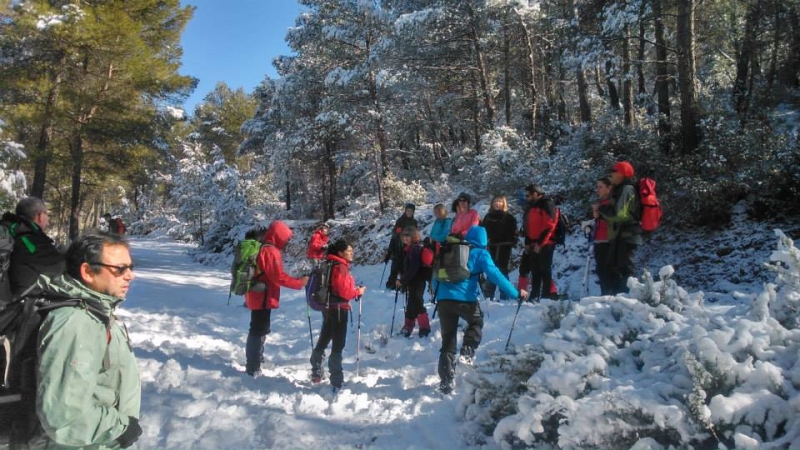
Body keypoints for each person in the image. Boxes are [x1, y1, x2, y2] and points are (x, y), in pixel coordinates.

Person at [24, 232, 141, 449]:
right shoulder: (76, 322)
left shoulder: (95, 311)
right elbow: (63, 416)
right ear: (87, 272)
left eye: (130, 267)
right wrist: (120, 427)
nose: (130, 276)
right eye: (120, 269)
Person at [433, 225, 528, 394]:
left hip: (443, 300)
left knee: (447, 341)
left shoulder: (451, 249)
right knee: (476, 321)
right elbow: (495, 274)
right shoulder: (480, 254)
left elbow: (435, 275)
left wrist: (438, 294)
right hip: (465, 300)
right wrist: (515, 293)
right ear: (484, 241)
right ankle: (467, 351)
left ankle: (446, 382)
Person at [244, 220, 309, 376]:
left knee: (260, 328)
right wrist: (299, 283)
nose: (286, 241)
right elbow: (278, 277)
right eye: (285, 237)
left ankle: (256, 360)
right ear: (278, 236)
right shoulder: (271, 251)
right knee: (258, 329)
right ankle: (253, 366)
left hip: (257, 294)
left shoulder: (263, 247)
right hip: (262, 295)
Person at [309, 239, 366, 392]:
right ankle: (336, 381)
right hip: (339, 308)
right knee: (338, 345)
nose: (352, 253)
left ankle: (316, 371)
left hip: (328, 307)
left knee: (325, 338)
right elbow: (344, 292)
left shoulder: (329, 263)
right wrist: (357, 292)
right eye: (349, 250)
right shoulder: (340, 267)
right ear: (340, 253)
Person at [2, 197, 65, 297]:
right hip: (19, 303)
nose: (48, 220)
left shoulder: (10, 232)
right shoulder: (32, 240)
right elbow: (60, 268)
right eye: (47, 214)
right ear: (40, 216)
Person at [598, 161, 643, 294]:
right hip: (623, 235)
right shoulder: (623, 188)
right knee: (616, 268)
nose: (611, 174)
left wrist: (601, 209)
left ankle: (630, 298)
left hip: (627, 235)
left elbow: (619, 215)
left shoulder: (626, 189)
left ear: (622, 173)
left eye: (613, 171)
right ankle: (619, 297)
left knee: (625, 269)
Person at [519, 184, 558, 301]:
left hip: (546, 242)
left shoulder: (547, 204)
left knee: (545, 270)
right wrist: (527, 243)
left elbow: (550, 225)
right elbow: (528, 227)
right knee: (535, 271)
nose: (526, 198)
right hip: (533, 243)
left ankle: (547, 296)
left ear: (535, 194)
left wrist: (540, 243)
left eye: (528, 195)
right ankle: (534, 296)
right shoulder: (531, 207)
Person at [395, 227, 433, 337]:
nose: (405, 238)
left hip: (417, 280)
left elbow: (414, 268)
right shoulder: (410, 248)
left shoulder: (415, 248)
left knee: (417, 303)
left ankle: (424, 328)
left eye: (408, 236)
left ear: (413, 236)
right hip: (414, 280)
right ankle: (408, 327)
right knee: (412, 303)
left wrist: (403, 280)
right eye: (403, 236)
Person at [481, 195, 517, 300]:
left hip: (503, 248)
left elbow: (513, 233)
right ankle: (489, 295)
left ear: (503, 203)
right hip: (491, 247)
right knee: (490, 270)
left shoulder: (509, 218)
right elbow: (483, 231)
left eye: (500, 201)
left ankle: (505, 296)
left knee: (502, 271)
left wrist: (510, 242)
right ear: (492, 203)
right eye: (496, 201)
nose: (497, 203)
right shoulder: (488, 217)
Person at [384, 203, 417, 289]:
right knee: (395, 266)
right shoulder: (400, 220)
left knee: (405, 267)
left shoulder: (414, 222)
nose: (409, 212)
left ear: (413, 212)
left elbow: (415, 233)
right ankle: (391, 283)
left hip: (409, 247)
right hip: (398, 246)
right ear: (405, 211)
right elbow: (395, 233)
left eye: (411, 211)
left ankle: (402, 284)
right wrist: (392, 247)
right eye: (408, 210)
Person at [592, 177, 614, 295]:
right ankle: (605, 294)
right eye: (597, 187)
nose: (598, 190)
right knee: (600, 270)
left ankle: (610, 295)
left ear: (609, 188)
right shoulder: (600, 202)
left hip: (609, 239)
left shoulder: (613, 202)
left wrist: (599, 211)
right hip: (599, 239)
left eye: (601, 187)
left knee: (608, 270)